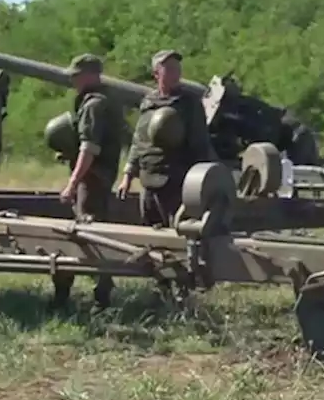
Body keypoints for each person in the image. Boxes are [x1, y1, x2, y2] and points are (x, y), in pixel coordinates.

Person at [117, 50, 218, 228]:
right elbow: (139, 141)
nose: (175, 73)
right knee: (151, 229)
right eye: (169, 69)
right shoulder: (148, 102)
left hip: (176, 181)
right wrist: (127, 176)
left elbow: (200, 144)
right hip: (148, 179)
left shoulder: (189, 104)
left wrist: (203, 181)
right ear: (157, 74)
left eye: (177, 68)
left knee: (176, 229)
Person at [55, 53, 124, 311]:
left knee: (87, 236)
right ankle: (96, 293)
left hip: (91, 181)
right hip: (97, 179)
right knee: (92, 235)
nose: (73, 80)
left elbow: (90, 148)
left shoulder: (94, 105)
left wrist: (73, 183)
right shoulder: (105, 101)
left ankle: (99, 298)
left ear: (91, 75)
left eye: (77, 75)